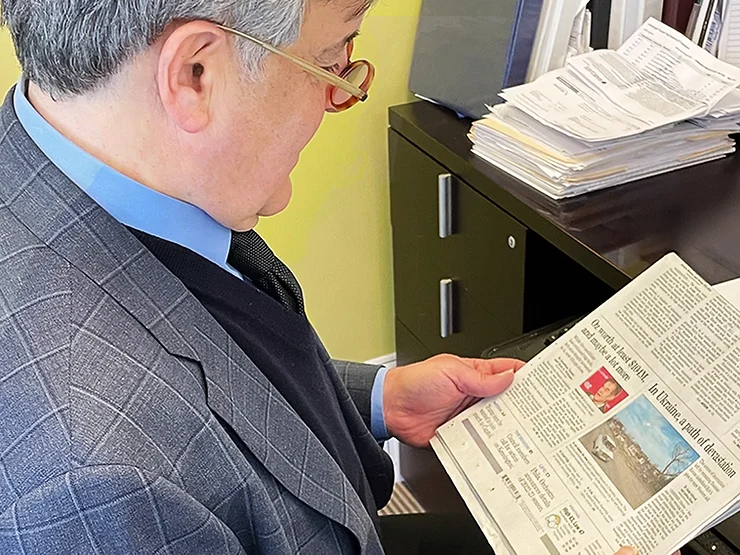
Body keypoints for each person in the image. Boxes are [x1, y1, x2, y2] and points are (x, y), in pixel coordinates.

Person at [0, 0, 645, 554]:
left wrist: (376, 397)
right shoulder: (98, 488)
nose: (343, 94)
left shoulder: (71, 166)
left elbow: (222, 368)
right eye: (334, 59)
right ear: (196, 74)